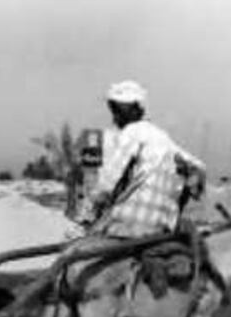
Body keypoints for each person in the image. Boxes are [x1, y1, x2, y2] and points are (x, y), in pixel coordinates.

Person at [75, 80, 206, 238]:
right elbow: (199, 168)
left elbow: (107, 184)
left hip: (128, 224)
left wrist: (85, 218)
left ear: (128, 110)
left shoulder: (131, 132)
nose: (115, 118)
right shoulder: (164, 139)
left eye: (116, 110)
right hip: (161, 228)